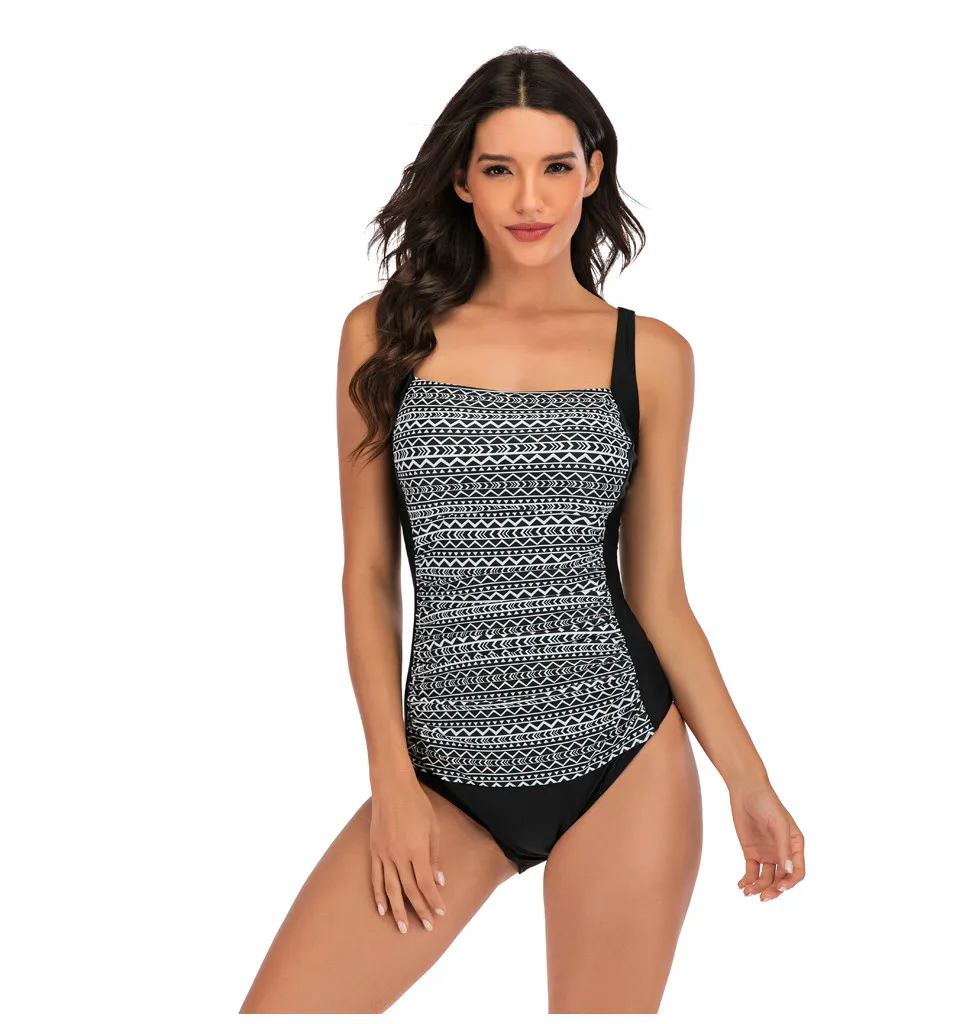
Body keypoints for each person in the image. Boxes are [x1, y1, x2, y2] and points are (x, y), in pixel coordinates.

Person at [240, 45, 805, 1014]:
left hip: (620, 758)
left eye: (555, 166)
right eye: (500, 168)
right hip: (442, 775)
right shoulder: (383, 338)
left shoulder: (651, 357)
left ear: (593, 172)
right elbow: (368, 574)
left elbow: (660, 595)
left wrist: (747, 778)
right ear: (462, 180)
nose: (529, 198)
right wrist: (391, 781)